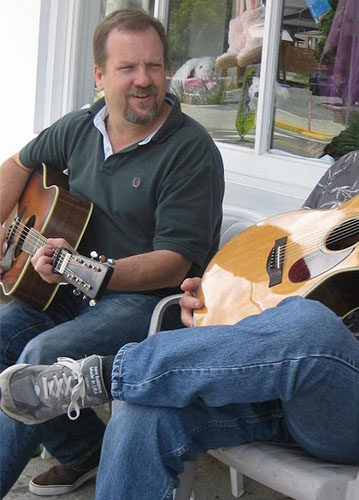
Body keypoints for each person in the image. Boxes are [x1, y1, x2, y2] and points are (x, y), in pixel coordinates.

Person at [1, 44, 359, 500]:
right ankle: (122, 381)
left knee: (308, 325)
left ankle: (106, 375)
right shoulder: (349, 170)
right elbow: (287, 266)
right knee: (145, 410)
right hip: (271, 383)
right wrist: (227, 297)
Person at [0, 9, 224, 498]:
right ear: (99, 76)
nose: (144, 80)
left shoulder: (190, 151)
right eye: (128, 68)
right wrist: (6, 228)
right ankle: (83, 452)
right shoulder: (81, 127)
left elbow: (173, 262)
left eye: (155, 66)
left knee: (41, 358)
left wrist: (78, 268)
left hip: (148, 305)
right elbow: (18, 163)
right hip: (71, 291)